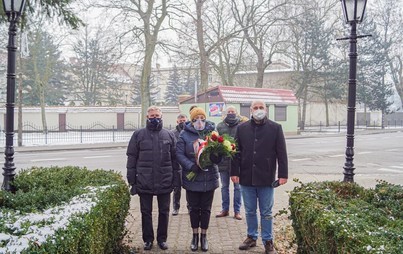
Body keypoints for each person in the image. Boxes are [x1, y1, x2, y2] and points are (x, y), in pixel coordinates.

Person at [231, 100, 288, 254]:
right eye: (255, 108)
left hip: (266, 177)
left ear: (266, 109)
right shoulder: (241, 128)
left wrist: (283, 174)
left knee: (266, 212)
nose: (258, 110)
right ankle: (251, 236)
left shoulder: (275, 128)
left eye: (261, 107)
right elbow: (235, 153)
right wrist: (234, 172)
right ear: (250, 110)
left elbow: (281, 153)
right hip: (246, 176)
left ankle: (268, 241)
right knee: (249, 210)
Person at [126, 106, 180, 251]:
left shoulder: (169, 135)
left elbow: (175, 160)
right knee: (146, 212)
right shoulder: (138, 135)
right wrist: (132, 180)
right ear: (147, 117)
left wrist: (176, 180)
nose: (154, 118)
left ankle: (162, 239)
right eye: (152, 116)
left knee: (164, 211)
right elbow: (132, 158)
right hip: (144, 180)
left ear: (161, 116)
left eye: (157, 115)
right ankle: (148, 240)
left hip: (165, 179)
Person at [176, 107, 221, 252]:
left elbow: (219, 152)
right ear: (191, 120)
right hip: (192, 178)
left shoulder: (212, 133)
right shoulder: (184, 134)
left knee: (206, 209)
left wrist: (215, 157)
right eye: (196, 119)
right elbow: (179, 154)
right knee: (194, 208)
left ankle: (204, 236)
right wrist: (191, 166)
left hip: (209, 177)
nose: (199, 121)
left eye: (202, 117)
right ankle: (195, 236)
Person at [215, 106, 243, 220]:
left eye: (233, 112)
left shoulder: (241, 126)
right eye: (229, 112)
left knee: (238, 187)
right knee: (224, 187)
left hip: (237, 161)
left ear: (236, 113)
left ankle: (237, 211)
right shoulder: (220, 126)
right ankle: (225, 209)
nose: (231, 113)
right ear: (225, 114)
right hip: (223, 161)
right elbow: (217, 142)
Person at [171, 113, 188, 216]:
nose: (182, 123)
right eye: (180, 121)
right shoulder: (172, 133)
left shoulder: (189, 132)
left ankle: (190, 207)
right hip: (176, 165)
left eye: (184, 121)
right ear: (177, 122)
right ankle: (175, 207)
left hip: (188, 164)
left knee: (189, 188)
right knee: (177, 188)